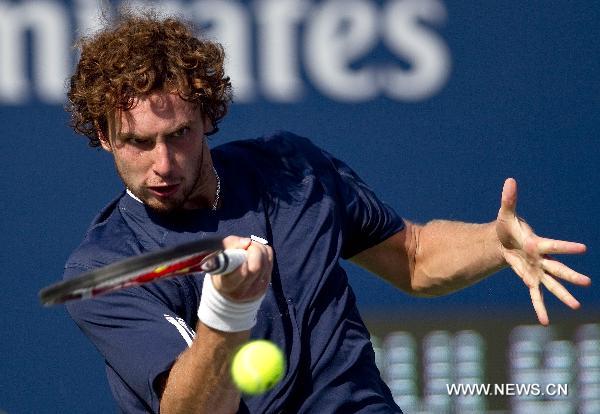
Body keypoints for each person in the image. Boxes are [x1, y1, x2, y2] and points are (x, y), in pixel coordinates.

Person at [63, 12, 590, 414]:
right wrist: (228, 310)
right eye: (138, 142)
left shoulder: (292, 169)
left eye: (178, 134)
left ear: (206, 115)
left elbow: (414, 256)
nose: (163, 163)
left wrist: (492, 243)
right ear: (106, 138)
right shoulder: (104, 267)